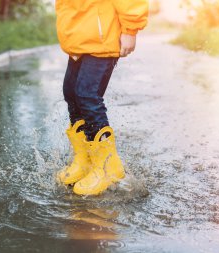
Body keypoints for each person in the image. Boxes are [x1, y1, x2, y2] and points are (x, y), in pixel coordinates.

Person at [56, 0, 149, 195]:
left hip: (101, 37)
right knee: (71, 93)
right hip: (80, 35)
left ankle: (108, 166)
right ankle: (86, 161)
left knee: (87, 95)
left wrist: (130, 29)